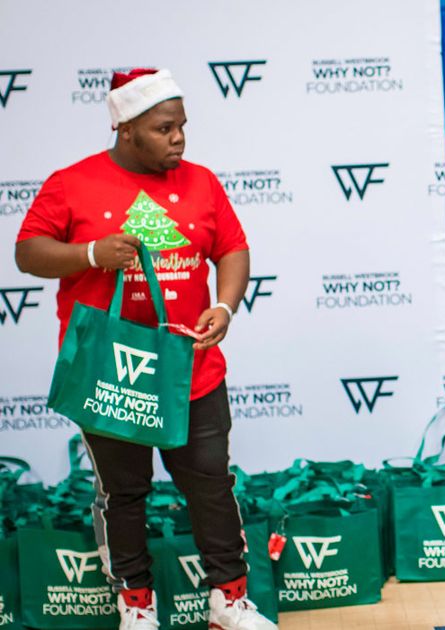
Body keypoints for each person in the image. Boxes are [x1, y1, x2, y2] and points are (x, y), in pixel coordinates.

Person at [14, 68, 275, 629]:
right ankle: (136, 607)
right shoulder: (72, 183)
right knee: (124, 493)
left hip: (190, 368)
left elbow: (233, 248)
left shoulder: (202, 183)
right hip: (110, 374)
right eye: (164, 128)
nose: (178, 138)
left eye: (182, 126)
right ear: (126, 128)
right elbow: (27, 252)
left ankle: (228, 602)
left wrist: (225, 306)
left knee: (210, 485)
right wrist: (89, 254)